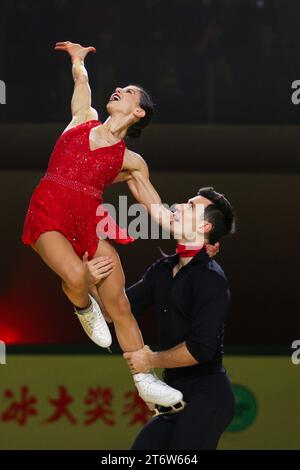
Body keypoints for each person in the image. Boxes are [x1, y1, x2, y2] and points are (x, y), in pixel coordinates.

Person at [22, 40, 195, 411]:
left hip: (87, 223)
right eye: (120, 88)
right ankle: (84, 308)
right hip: (48, 211)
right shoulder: (83, 117)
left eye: (129, 92)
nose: (118, 90)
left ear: (139, 113)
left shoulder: (130, 161)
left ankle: (146, 382)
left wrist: (183, 228)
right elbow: (81, 82)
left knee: (119, 303)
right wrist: (78, 59)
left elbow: (154, 206)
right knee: (76, 274)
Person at [88, 187, 236, 448]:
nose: (177, 206)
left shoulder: (212, 280)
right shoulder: (161, 270)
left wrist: (150, 359)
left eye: (189, 206)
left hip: (208, 397)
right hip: (174, 398)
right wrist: (88, 282)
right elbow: (114, 312)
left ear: (204, 226)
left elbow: (201, 350)